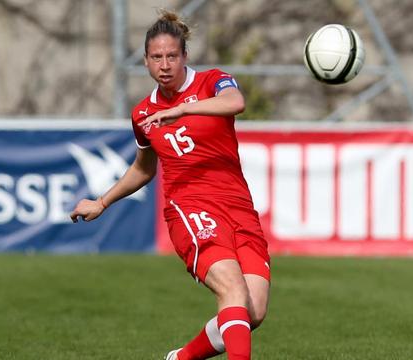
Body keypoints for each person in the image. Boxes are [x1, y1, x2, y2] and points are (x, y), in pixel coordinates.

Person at [70, 9, 270, 360]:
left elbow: (235, 103)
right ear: (146, 61)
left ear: (185, 57)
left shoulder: (213, 81)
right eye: (157, 57)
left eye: (172, 56)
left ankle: (181, 358)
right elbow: (143, 169)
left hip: (238, 206)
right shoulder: (143, 114)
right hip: (189, 208)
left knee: (253, 312)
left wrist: (183, 110)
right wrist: (102, 202)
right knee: (232, 290)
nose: (165, 65)